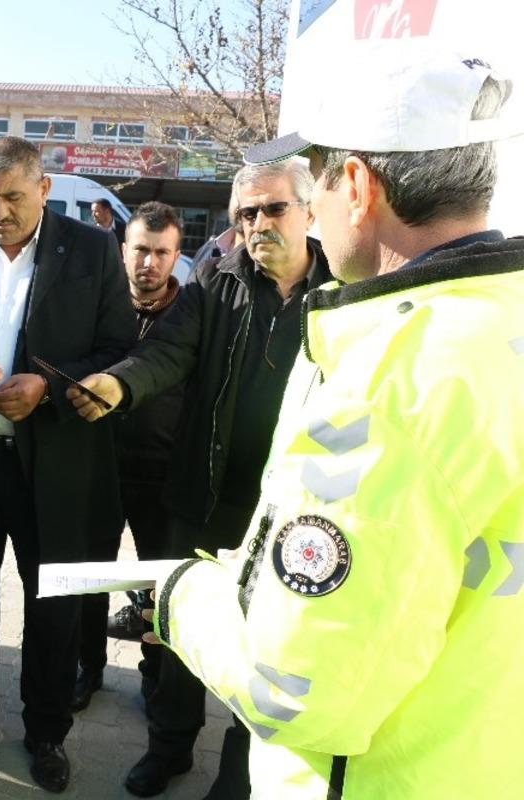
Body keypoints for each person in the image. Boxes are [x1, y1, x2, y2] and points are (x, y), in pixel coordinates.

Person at [101, 43, 523, 800]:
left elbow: (292, 686)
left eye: (313, 183)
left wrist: (181, 595)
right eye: (247, 213)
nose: (264, 222)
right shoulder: (498, 318)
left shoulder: (390, 379)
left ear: (354, 186)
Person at [68, 158, 331, 799]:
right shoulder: (217, 279)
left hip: (293, 509)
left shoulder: (341, 289)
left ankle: (239, 774)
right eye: (247, 213)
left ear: (309, 211)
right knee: (182, 631)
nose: (259, 223)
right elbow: (169, 350)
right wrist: (120, 384)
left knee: (270, 645)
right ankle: (169, 749)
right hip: (205, 496)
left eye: (273, 208)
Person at [0, 136, 136, 793]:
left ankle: (46, 732)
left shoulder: (91, 250)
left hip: (52, 464)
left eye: (12, 197)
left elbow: (120, 348)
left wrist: (49, 387)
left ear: (44, 189)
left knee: (53, 609)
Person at [73, 201, 185, 714]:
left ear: (177, 256)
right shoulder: (100, 305)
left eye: (162, 253)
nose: (149, 263)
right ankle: (87, 667)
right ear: (123, 251)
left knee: (160, 582)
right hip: (98, 467)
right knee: (90, 575)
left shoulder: (192, 315)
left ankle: (155, 674)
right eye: (141, 250)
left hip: (162, 475)